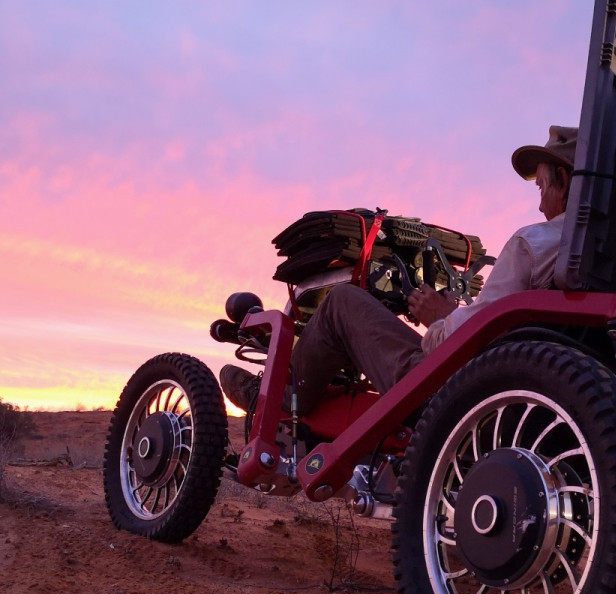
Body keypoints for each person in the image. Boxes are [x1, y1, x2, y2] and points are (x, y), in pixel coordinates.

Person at [220, 125, 577, 414]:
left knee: (343, 302)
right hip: (526, 388)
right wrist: (455, 314)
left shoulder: (532, 244)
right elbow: (501, 325)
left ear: (563, 178)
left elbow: (468, 338)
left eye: (543, 187)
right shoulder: (591, 256)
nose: (539, 202)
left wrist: (440, 317)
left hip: (459, 389)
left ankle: (278, 401)